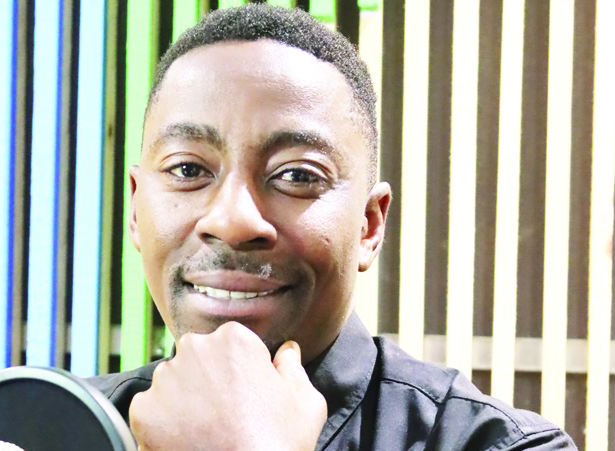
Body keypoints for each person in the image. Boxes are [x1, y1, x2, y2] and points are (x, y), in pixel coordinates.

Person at [88, 4, 576, 450]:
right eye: (188, 169)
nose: (232, 221)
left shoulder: (501, 445)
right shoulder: (57, 427)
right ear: (136, 210)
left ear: (369, 225)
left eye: (297, 176)